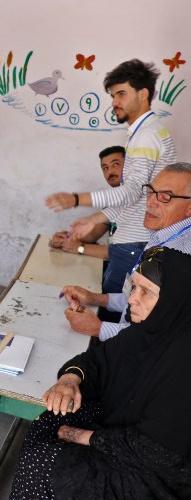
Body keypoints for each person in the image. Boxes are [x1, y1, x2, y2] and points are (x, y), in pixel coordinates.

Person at [6, 246, 191, 500]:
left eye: (146, 292)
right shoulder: (146, 334)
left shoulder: (184, 362)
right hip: (128, 437)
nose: (132, 300)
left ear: (174, 301)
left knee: (44, 461)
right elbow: (97, 360)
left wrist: (82, 436)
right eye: (134, 287)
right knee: (51, 419)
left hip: (158, 479)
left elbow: (158, 451)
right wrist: (70, 379)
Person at [45, 59, 177, 294]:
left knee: (112, 310)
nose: (115, 102)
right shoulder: (146, 132)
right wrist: (94, 220)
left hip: (134, 244)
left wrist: (77, 199)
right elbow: (134, 197)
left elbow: (131, 192)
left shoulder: (146, 136)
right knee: (111, 308)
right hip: (130, 242)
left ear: (143, 93)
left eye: (121, 94)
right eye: (113, 95)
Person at [61, 163, 191, 341]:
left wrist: (98, 328)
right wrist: (97, 299)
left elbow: (161, 338)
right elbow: (139, 301)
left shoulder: (180, 256)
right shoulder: (161, 236)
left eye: (165, 196)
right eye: (151, 191)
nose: (150, 202)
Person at [49, 146, 125, 259]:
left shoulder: (143, 202)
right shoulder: (114, 202)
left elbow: (127, 254)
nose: (110, 172)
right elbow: (92, 235)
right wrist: (65, 239)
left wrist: (80, 248)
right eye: (105, 168)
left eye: (115, 164)